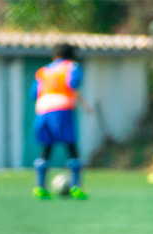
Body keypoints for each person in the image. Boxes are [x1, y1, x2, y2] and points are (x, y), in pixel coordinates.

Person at [31, 43, 92, 200]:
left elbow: (33, 94)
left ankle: (40, 188)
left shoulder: (43, 71)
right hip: (62, 109)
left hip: (43, 110)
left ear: (55, 55)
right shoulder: (72, 67)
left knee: (46, 148)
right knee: (71, 147)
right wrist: (84, 104)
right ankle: (76, 188)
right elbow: (73, 85)